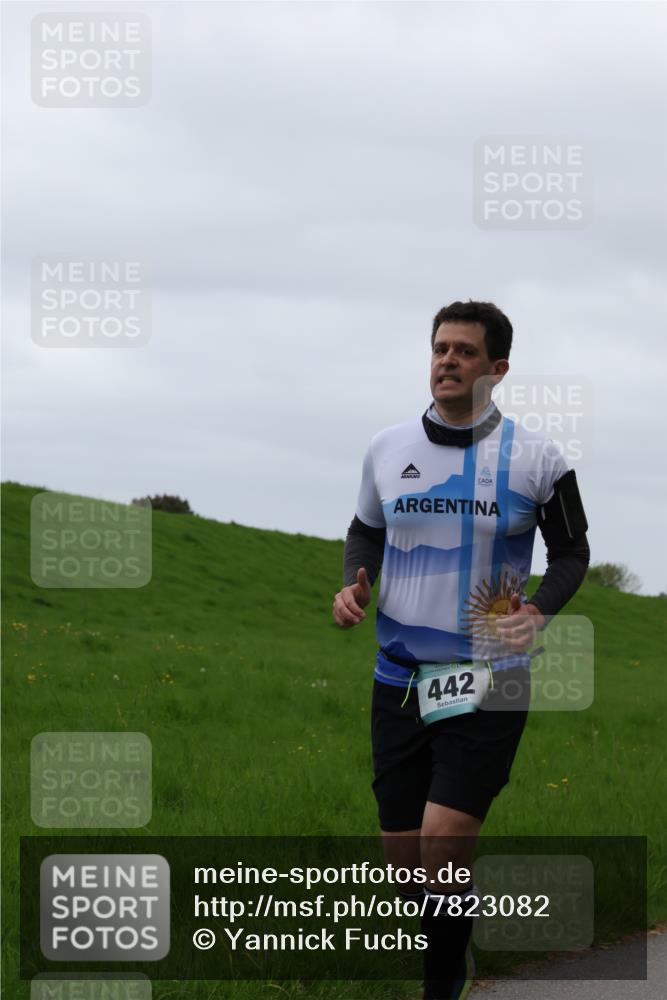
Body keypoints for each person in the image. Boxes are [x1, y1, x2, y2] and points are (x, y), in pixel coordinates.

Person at [332, 300, 590, 1000]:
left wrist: (538, 610)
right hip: (398, 680)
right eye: (440, 348)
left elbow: (572, 553)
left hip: (490, 679)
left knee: (443, 842)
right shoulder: (386, 448)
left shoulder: (539, 458)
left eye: (465, 351)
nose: (447, 360)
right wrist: (353, 585)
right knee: (404, 864)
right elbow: (365, 531)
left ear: (497, 368)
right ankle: (457, 942)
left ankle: (440, 985)